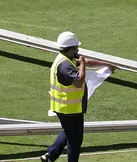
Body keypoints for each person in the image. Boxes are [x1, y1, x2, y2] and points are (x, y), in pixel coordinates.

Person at [42, 32, 108, 162]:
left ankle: (50, 155)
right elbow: (78, 82)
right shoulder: (65, 66)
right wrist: (82, 64)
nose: (78, 51)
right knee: (75, 140)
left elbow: (86, 61)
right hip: (70, 109)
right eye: (76, 48)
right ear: (71, 49)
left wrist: (106, 64)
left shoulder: (64, 58)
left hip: (65, 107)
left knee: (68, 132)